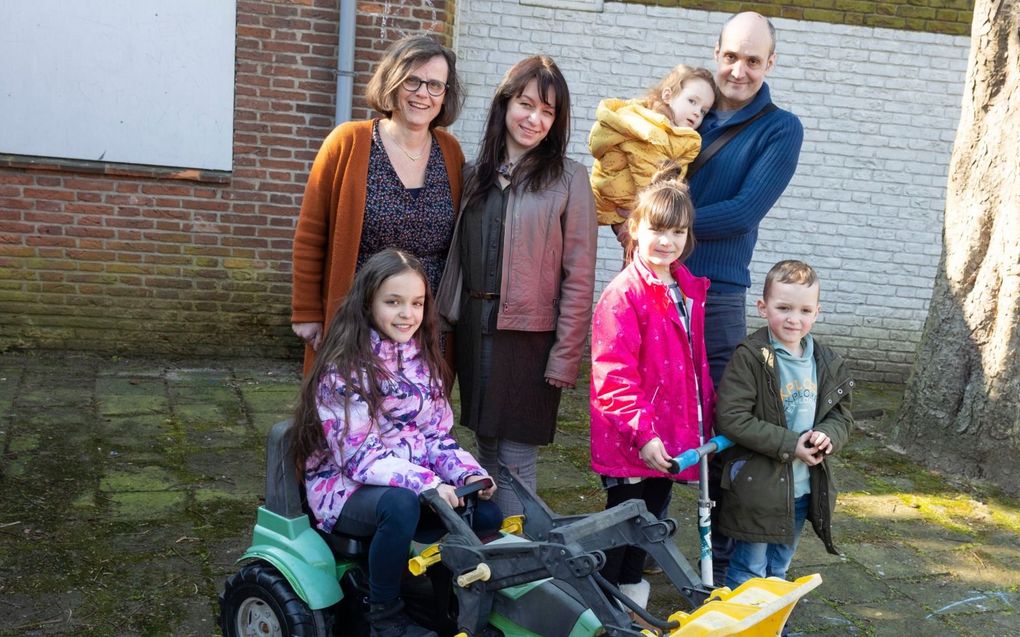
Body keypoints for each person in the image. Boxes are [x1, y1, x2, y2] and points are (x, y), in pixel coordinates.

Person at [290, 249, 501, 637]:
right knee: (401, 506)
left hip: (408, 477)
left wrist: (469, 474)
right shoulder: (345, 366)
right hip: (345, 487)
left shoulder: (423, 359)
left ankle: (449, 604)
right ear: (368, 302)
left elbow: (436, 434)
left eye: (417, 303)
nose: (407, 314)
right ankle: (383, 615)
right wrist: (427, 484)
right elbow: (358, 456)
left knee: (485, 514)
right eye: (394, 302)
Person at [436, 56, 597, 517]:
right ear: (505, 103)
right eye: (526, 104)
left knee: (517, 458)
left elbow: (579, 275)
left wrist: (566, 356)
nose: (534, 119)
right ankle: (491, 553)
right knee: (484, 448)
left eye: (547, 112)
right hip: (473, 328)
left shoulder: (569, 178)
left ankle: (518, 563)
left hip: (530, 337)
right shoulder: (473, 173)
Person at [688, 11, 805, 583]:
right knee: (658, 412)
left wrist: (659, 225)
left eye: (753, 60)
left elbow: (742, 213)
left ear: (770, 64)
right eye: (731, 55)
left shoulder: (781, 129)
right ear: (717, 52)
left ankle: (733, 561)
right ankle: (642, 539)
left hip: (717, 293)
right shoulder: (687, 112)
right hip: (656, 286)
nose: (739, 69)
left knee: (727, 422)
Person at [291, 35, 466, 374]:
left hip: (425, 326)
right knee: (354, 417)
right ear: (392, 81)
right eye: (412, 80)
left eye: (434, 85)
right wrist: (307, 312)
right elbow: (312, 234)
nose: (422, 93)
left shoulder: (451, 152)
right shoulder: (347, 142)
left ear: (445, 96)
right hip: (357, 319)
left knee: (417, 420)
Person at [589, 164, 715, 609]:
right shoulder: (624, 294)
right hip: (633, 439)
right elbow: (614, 375)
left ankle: (630, 595)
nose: (667, 241)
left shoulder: (685, 289)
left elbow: (694, 366)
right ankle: (604, 600)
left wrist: (706, 417)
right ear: (635, 229)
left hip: (670, 438)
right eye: (658, 229)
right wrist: (643, 435)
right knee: (622, 523)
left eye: (678, 232)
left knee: (650, 522)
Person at [713, 260, 852, 590]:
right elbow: (732, 418)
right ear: (763, 308)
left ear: (817, 312)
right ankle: (742, 625)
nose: (794, 318)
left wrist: (827, 436)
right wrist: (792, 444)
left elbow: (841, 417)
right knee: (749, 568)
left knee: (780, 566)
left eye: (805, 310)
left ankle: (770, 621)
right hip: (759, 487)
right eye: (784, 307)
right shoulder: (750, 357)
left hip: (803, 488)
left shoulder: (828, 361)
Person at [588, 64, 716, 257]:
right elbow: (648, 177)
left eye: (704, 110)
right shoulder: (650, 129)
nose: (697, 112)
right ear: (667, 95)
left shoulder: (670, 133)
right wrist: (650, 213)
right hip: (632, 210)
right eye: (692, 101)